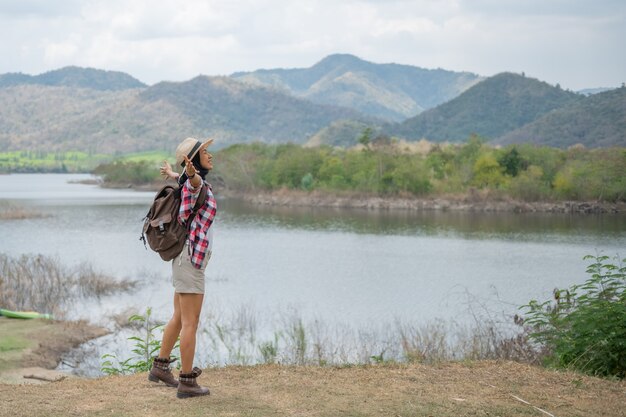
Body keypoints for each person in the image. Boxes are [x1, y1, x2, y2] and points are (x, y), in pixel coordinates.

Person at [148, 137, 217, 399]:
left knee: (179, 318)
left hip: (184, 259)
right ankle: (187, 381)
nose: (211, 155)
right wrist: (189, 175)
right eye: (206, 152)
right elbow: (194, 183)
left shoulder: (188, 183)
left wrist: (175, 173)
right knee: (191, 322)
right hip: (190, 261)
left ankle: (160, 368)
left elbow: (189, 181)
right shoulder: (193, 185)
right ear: (194, 159)